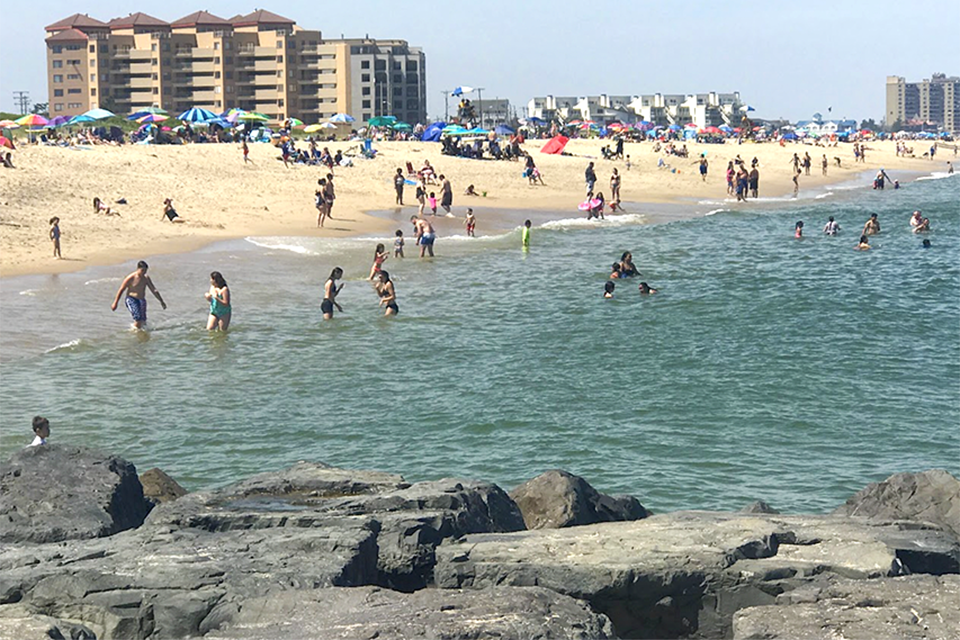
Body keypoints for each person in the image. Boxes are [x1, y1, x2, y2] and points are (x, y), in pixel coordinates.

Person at [111, 260, 167, 330]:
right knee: (138, 318)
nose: (144, 272)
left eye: (145, 271)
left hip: (141, 300)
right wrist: (115, 303)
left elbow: (154, 290)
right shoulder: (130, 278)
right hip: (131, 299)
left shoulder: (146, 278)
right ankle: (133, 332)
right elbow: (121, 289)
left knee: (143, 321)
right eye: (142, 270)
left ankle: (142, 334)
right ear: (138, 269)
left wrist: (161, 301)